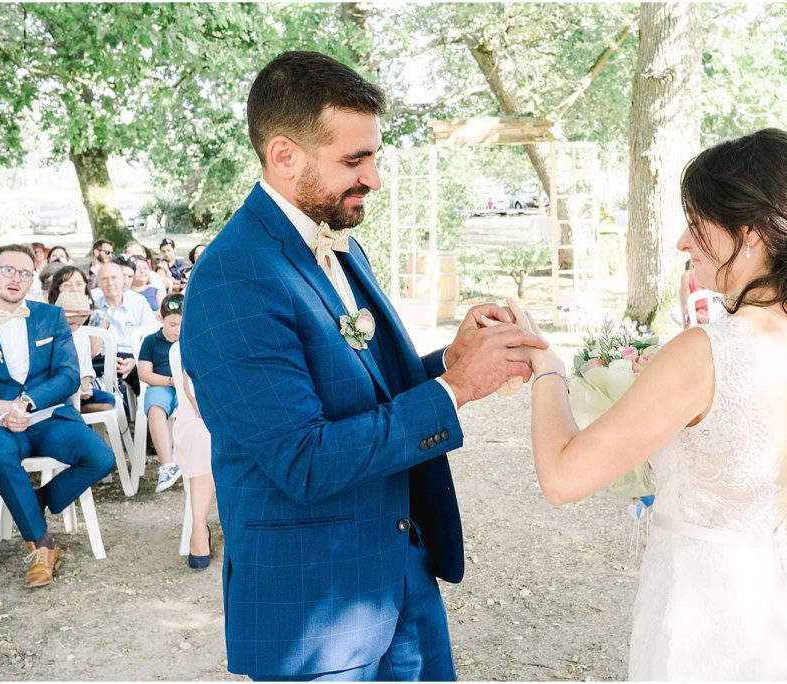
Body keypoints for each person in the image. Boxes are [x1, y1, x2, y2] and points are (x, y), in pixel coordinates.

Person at [180, 50, 546, 681]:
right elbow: (303, 458)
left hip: (400, 572)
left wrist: (449, 363)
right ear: (284, 156)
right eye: (354, 161)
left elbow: (362, 389)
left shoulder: (341, 243)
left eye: (372, 156)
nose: (373, 178)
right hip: (315, 614)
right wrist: (455, 390)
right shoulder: (235, 278)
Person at [518, 128, 787, 680]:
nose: (682, 242)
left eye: (698, 226)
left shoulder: (707, 350)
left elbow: (561, 478)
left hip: (703, 619)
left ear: (748, 236)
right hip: (776, 609)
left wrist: (548, 370)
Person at [0, 244, 115, 587]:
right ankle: (42, 545)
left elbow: (67, 375)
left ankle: (32, 501)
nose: (15, 279)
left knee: (100, 456)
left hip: (50, 416)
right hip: (0, 425)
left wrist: (22, 404)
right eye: (7, 270)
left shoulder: (49, 317)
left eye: (24, 273)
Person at [171, 348, 216, 569]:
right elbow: (191, 387)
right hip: (198, 412)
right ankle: (199, 526)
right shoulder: (197, 331)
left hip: (242, 409)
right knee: (202, 437)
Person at [137, 295, 184, 493]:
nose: (177, 329)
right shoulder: (151, 341)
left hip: (187, 388)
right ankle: (167, 465)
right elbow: (144, 373)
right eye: (172, 324)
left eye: (182, 324)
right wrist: (171, 381)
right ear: (161, 319)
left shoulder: (191, 338)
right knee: (155, 406)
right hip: (162, 384)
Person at [92, 262, 157, 396]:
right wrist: (109, 360)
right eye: (104, 279)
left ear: (123, 280)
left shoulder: (139, 302)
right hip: (104, 358)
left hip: (136, 356)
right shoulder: (94, 307)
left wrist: (135, 360)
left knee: (148, 380)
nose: (110, 283)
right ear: (98, 282)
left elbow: (152, 335)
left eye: (114, 278)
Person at [54, 291, 115, 413]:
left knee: (108, 400)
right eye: (70, 323)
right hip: (58, 388)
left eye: (79, 323)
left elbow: (87, 367)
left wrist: (84, 386)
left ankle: (73, 410)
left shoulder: (81, 336)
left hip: (80, 388)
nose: (74, 327)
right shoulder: (50, 337)